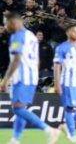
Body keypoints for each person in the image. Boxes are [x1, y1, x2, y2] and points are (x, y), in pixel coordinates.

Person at [1, 12, 61, 144]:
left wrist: (5, 80)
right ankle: (16, 139)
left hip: (21, 76)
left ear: (14, 22)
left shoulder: (17, 36)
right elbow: (37, 59)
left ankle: (49, 130)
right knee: (20, 108)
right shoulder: (31, 36)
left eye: (6, 23)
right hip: (31, 76)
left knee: (17, 108)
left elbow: (16, 59)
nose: (5, 26)